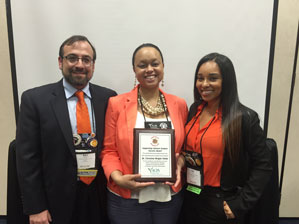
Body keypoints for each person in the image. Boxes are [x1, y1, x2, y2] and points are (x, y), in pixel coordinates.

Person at [16, 35, 117, 224]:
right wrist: (36, 207)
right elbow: (27, 159)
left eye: (86, 59)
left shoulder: (108, 98)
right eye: (72, 58)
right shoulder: (35, 100)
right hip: (56, 201)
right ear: (60, 62)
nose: (80, 64)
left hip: (99, 197)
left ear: (93, 66)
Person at [100, 43, 188, 224]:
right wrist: (118, 178)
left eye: (155, 64)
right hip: (126, 199)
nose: (150, 69)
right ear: (134, 70)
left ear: (163, 66)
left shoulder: (179, 104)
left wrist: (180, 162)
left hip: (168, 197)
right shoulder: (116, 104)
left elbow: (185, 149)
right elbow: (109, 150)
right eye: (142, 65)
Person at [180, 53, 272, 224]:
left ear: (226, 81)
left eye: (213, 78)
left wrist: (241, 203)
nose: (204, 84)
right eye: (200, 78)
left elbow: (264, 165)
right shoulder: (195, 109)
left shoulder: (244, 118)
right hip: (190, 194)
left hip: (219, 202)